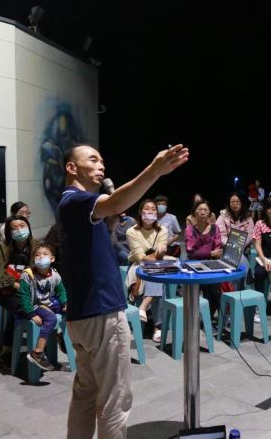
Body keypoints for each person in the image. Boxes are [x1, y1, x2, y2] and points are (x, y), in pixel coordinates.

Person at [57, 143, 188, 439]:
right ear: (72, 168)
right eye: (93, 159)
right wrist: (155, 170)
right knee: (114, 401)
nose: (101, 165)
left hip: (82, 314)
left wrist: (108, 224)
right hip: (102, 312)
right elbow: (115, 202)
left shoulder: (71, 203)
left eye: (102, 160)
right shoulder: (77, 200)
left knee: (86, 393)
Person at [0, 214, 36, 366]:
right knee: (19, 306)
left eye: (22, 226)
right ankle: (8, 349)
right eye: (14, 228)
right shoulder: (2, 248)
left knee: (51, 305)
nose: (19, 230)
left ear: (28, 227)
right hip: (8, 291)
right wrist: (16, 285)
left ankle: (46, 342)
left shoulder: (36, 246)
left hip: (33, 290)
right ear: (9, 232)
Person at [18, 242, 67, 372]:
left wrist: (65, 303)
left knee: (71, 310)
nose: (41, 257)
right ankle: (38, 352)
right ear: (33, 259)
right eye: (37, 255)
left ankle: (62, 337)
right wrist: (31, 314)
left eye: (45, 254)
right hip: (35, 305)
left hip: (50, 303)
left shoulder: (55, 274)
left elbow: (61, 291)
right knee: (51, 319)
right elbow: (23, 296)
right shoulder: (27, 275)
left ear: (52, 259)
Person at [126, 199, 169, 343]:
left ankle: (143, 307)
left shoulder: (162, 230)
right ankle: (157, 326)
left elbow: (160, 253)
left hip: (156, 265)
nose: (150, 212)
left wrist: (159, 254)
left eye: (153, 209)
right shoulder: (132, 232)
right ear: (140, 212)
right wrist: (156, 255)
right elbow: (140, 257)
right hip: (137, 267)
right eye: (147, 208)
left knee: (155, 271)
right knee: (156, 274)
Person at [185, 199, 223, 319]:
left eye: (206, 210)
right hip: (194, 264)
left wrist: (210, 254)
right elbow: (191, 252)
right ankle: (216, 316)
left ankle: (214, 315)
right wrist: (210, 253)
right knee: (208, 285)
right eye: (200, 209)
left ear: (210, 213)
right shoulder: (190, 230)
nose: (203, 212)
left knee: (214, 286)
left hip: (211, 263)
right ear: (194, 213)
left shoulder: (215, 228)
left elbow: (218, 249)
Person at [216, 192, 255, 289]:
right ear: (229, 203)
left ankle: (236, 290)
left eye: (237, 201)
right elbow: (220, 235)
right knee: (236, 255)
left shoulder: (248, 217)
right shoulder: (222, 216)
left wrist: (238, 246)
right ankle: (248, 274)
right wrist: (232, 245)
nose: (235, 204)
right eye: (232, 202)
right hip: (225, 250)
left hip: (242, 249)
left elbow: (249, 235)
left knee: (237, 256)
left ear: (241, 203)